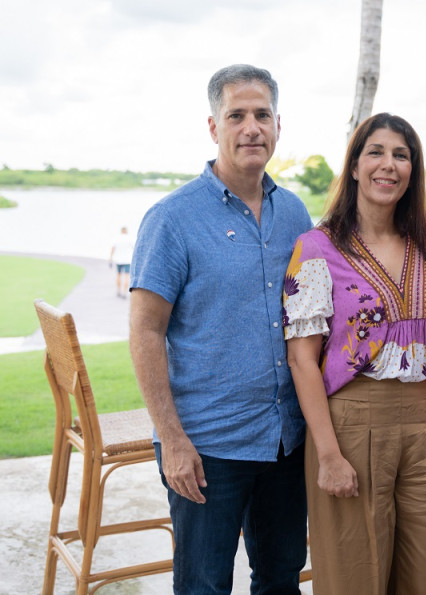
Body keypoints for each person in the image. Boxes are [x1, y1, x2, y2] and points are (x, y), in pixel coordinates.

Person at [129, 64, 313, 594]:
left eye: (262, 115)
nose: (251, 128)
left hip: (284, 440)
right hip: (207, 447)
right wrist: (171, 438)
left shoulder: (294, 213)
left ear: (279, 125)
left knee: (280, 581)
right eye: (237, 115)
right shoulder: (173, 218)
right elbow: (145, 332)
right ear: (214, 127)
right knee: (204, 586)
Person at [284, 113, 426, 595]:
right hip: (350, 425)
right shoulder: (317, 248)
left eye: (401, 155)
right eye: (377, 152)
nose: (389, 165)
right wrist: (327, 454)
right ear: (356, 166)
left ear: (413, 170)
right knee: (354, 575)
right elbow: (302, 360)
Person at [108, 226, 134, 297]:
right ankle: (125, 293)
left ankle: (119, 291)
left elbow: (113, 248)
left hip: (118, 260)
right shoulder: (130, 238)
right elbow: (134, 248)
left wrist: (110, 258)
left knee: (118, 276)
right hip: (127, 260)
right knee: (126, 277)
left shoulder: (117, 238)